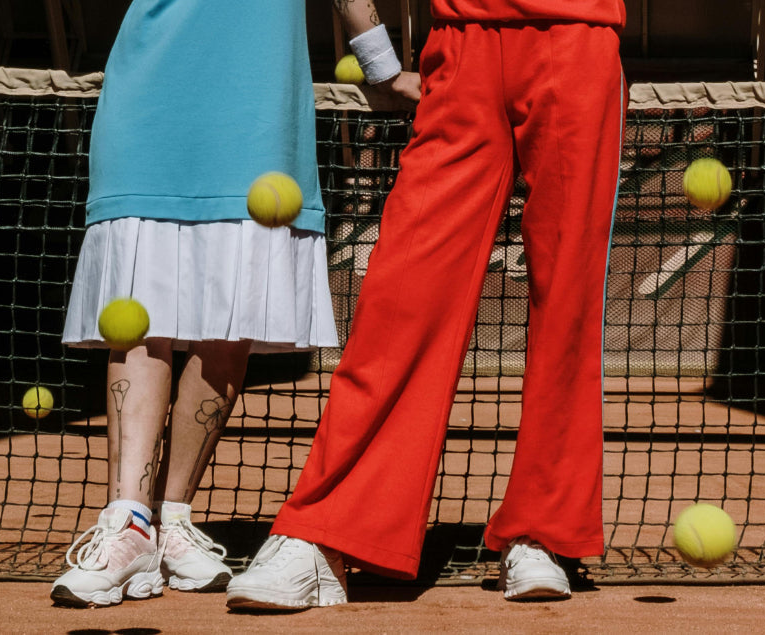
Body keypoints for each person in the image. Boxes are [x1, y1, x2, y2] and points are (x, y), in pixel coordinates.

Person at [225, 0, 627, 610]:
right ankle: (325, 532)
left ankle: (542, 533)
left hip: (580, 41)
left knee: (569, 299)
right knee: (401, 291)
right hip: (462, 47)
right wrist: (378, 59)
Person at [48, 0, 413, 608]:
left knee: (231, 318)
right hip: (150, 89)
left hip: (259, 105)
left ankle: (171, 521)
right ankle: (130, 521)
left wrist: (382, 66)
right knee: (137, 311)